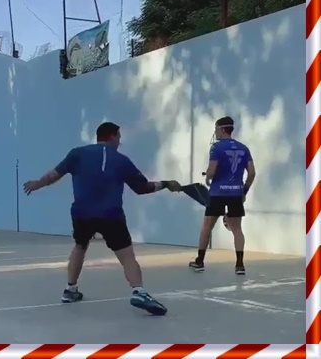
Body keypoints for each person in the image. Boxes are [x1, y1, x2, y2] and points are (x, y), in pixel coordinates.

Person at [23, 121, 181, 316]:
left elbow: (53, 175)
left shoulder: (77, 154)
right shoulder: (121, 160)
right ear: (112, 136)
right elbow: (142, 188)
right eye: (119, 137)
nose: (120, 142)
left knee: (80, 247)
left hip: (81, 213)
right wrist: (165, 184)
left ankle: (70, 290)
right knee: (127, 256)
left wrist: (37, 184)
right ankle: (139, 292)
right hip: (111, 214)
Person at [189, 116, 255, 275]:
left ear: (222, 129)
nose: (215, 132)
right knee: (237, 229)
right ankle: (239, 265)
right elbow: (252, 173)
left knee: (207, 226)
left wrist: (207, 177)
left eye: (216, 129)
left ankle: (200, 261)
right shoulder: (244, 148)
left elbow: (211, 171)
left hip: (217, 193)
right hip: (236, 193)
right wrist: (244, 191)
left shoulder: (216, 148)